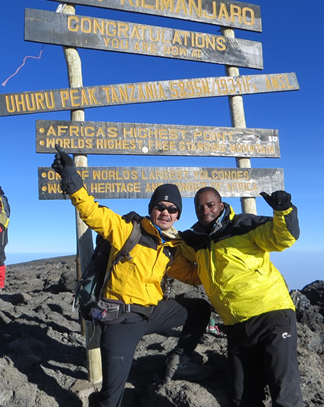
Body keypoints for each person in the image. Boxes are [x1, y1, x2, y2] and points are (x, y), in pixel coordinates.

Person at [51, 147, 211, 407]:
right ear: (152, 208)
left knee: (200, 309)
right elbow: (93, 213)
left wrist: (213, 258)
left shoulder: (171, 248)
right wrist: (72, 179)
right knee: (112, 398)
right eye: (160, 206)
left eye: (172, 209)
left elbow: (194, 276)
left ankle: (180, 360)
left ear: (178, 215)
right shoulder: (128, 232)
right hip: (121, 320)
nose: (166, 212)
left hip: (151, 313)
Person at [179, 187, 302, 407]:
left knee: (284, 390)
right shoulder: (196, 240)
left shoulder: (244, 225)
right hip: (236, 325)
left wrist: (284, 210)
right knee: (242, 396)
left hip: (271, 315)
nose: (205, 210)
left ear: (221, 204)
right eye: (199, 207)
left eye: (210, 205)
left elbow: (283, 238)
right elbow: (173, 246)